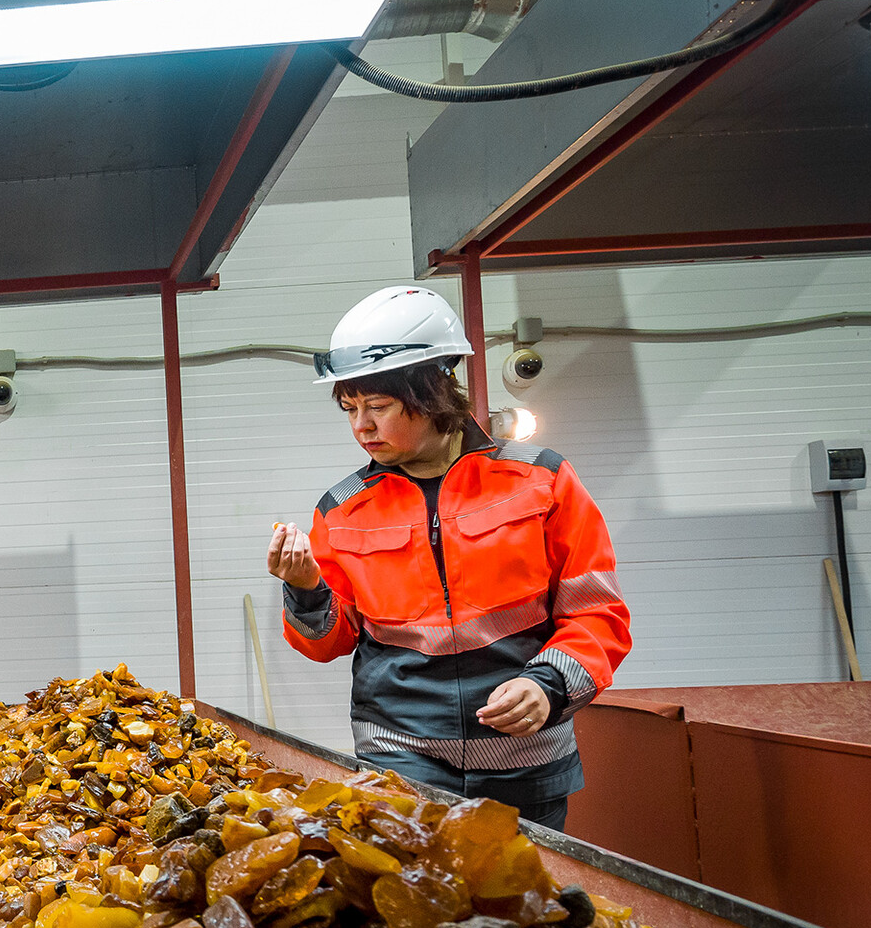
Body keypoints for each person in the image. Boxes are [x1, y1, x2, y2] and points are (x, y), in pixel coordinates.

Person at [266, 285, 630, 831]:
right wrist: (306, 587)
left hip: (526, 760)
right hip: (400, 760)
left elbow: (597, 614)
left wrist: (548, 686)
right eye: (350, 408)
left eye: (378, 406)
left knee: (521, 909)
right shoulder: (342, 509)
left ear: (434, 389)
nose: (361, 426)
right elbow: (329, 644)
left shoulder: (541, 479)